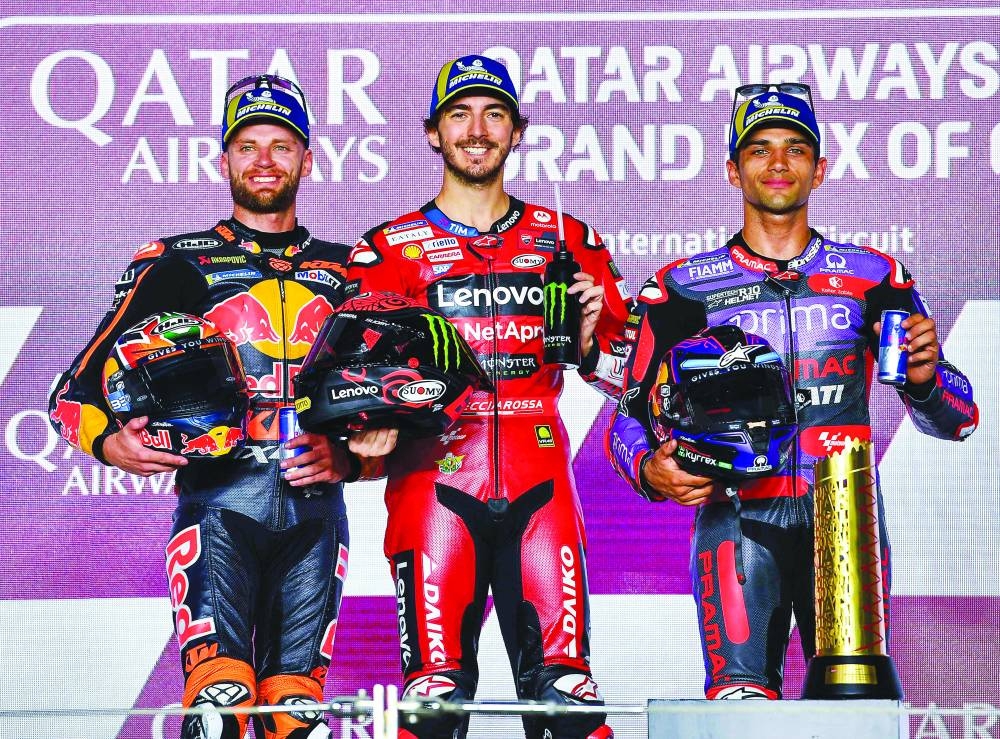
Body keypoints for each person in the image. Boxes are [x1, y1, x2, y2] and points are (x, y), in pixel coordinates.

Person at [607, 82, 979, 700]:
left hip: (846, 518)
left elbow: (959, 418)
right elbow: (628, 417)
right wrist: (649, 469)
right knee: (739, 709)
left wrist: (926, 381)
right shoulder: (681, 289)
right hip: (736, 516)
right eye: (760, 149)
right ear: (733, 170)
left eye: (795, 149)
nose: (778, 162)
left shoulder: (875, 277)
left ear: (820, 169)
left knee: (855, 710)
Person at [49, 74, 360, 739]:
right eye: (247, 146)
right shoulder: (175, 263)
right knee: (219, 706)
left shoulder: (352, 269)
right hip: (218, 512)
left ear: (308, 160)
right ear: (223, 161)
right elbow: (71, 393)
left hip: (319, 520)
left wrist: (355, 456)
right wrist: (110, 444)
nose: (264, 160)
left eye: (281, 145)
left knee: (296, 718)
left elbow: (407, 398)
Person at [344, 54, 632, 738]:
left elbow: (628, 377)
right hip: (433, 484)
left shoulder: (570, 238)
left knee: (568, 704)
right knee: (433, 706)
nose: (477, 130)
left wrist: (591, 343)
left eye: (494, 114)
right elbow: (350, 388)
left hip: (542, 480)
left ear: (517, 131)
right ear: (433, 132)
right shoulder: (384, 249)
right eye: (460, 114)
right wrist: (367, 425)